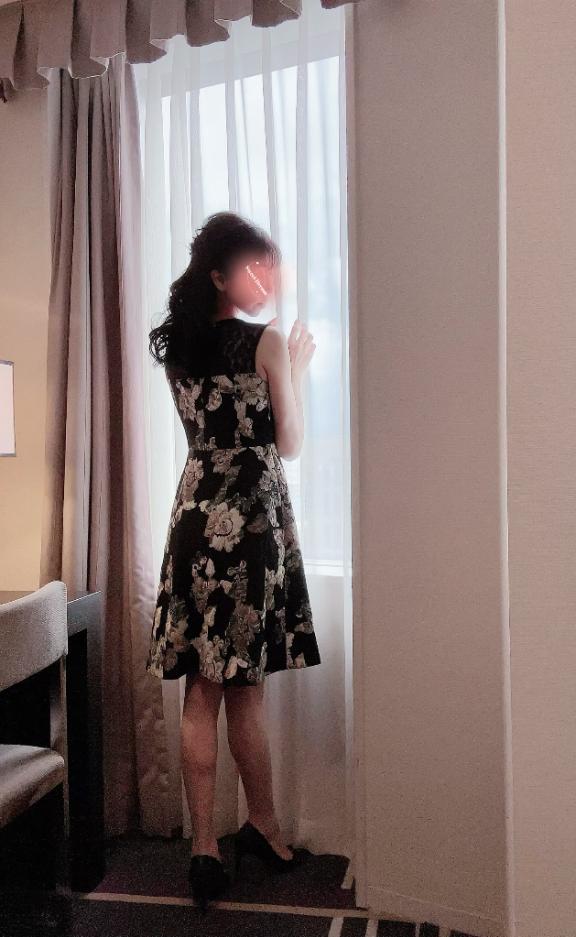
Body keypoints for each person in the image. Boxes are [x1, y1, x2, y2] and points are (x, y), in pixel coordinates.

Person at [146, 211, 322, 912]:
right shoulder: (265, 341)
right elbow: (290, 443)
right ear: (220, 275)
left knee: (205, 688)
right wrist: (296, 371)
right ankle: (263, 830)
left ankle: (209, 846)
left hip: (195, 516)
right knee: (241, 687)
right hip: (250, 521)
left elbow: (205, 433)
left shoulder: (178, 348)